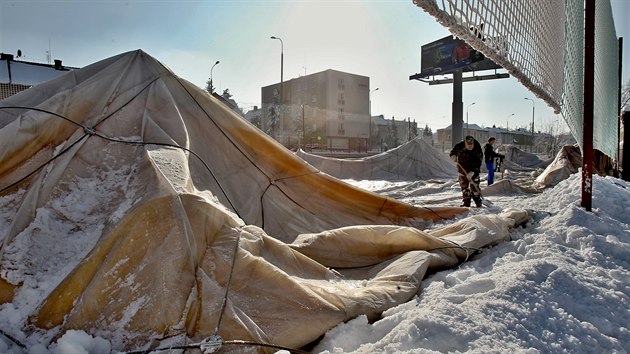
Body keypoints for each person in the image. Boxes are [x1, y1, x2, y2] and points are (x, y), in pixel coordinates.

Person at [450, 135, 483, 207]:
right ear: (465, 143)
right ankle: (466, 203)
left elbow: (479, 162)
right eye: (468, 145)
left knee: (475, 187)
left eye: (471, 145)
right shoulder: (459, 146)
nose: (470, 146)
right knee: (464, 187)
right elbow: (452, 152)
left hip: (473, 170)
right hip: (462, 169)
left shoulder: (477, 148)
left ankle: (478, 201)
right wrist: (453, 156)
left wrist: (473, 172)